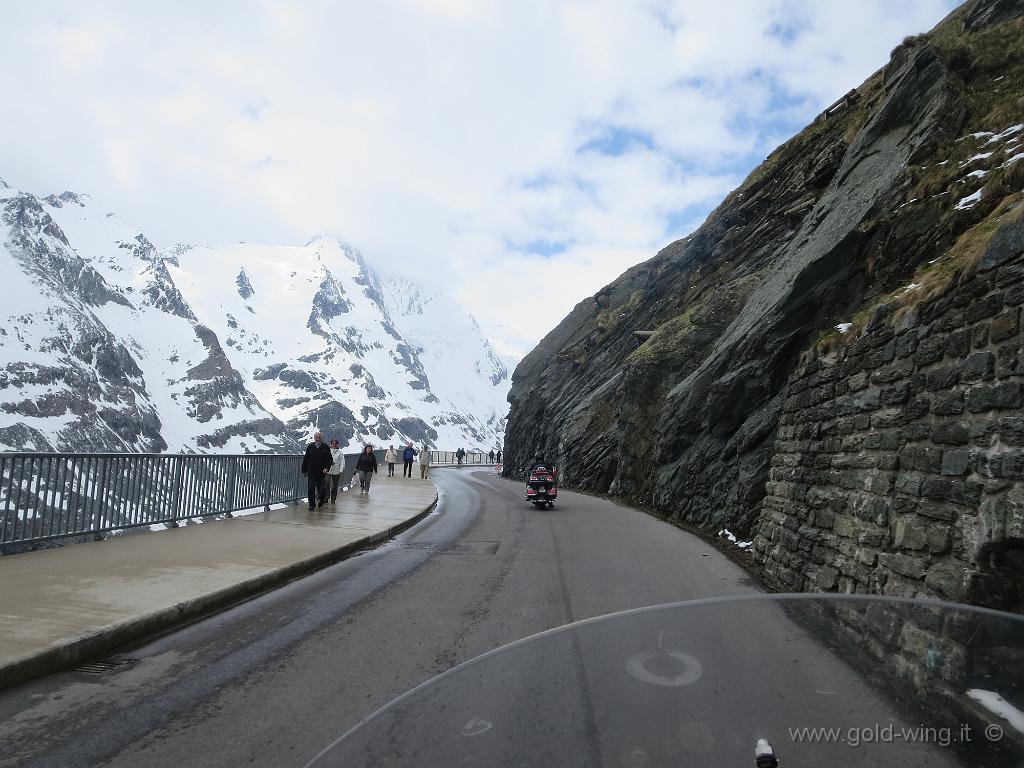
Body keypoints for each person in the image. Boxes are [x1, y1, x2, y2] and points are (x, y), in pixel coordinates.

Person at [301, 431, 333, 509]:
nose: (318, 439)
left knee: (321, 488)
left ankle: (321, 500)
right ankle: (311, 504)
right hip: (311, 471)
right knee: (311, 487)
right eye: (316, 437)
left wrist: (326, 468)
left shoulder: (325, 447)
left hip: (321, 472)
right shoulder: (310, 447)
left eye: (319, 437)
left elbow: (329, 459)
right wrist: (304, 470)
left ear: (321, 438)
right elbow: (306, 459)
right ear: (314, 438)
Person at [326, 438, 344, 502]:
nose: (334, 445)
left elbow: (342, 461)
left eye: (335, 443)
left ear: (337, 444)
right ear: (331, 444)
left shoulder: (340, 452)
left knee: (334, 486)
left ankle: (333, 498)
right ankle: (326, 497)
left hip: (336, 471)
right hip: (328, 471)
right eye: (333, 443)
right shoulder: (328, 451)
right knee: (327, 484)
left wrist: (341, 470)